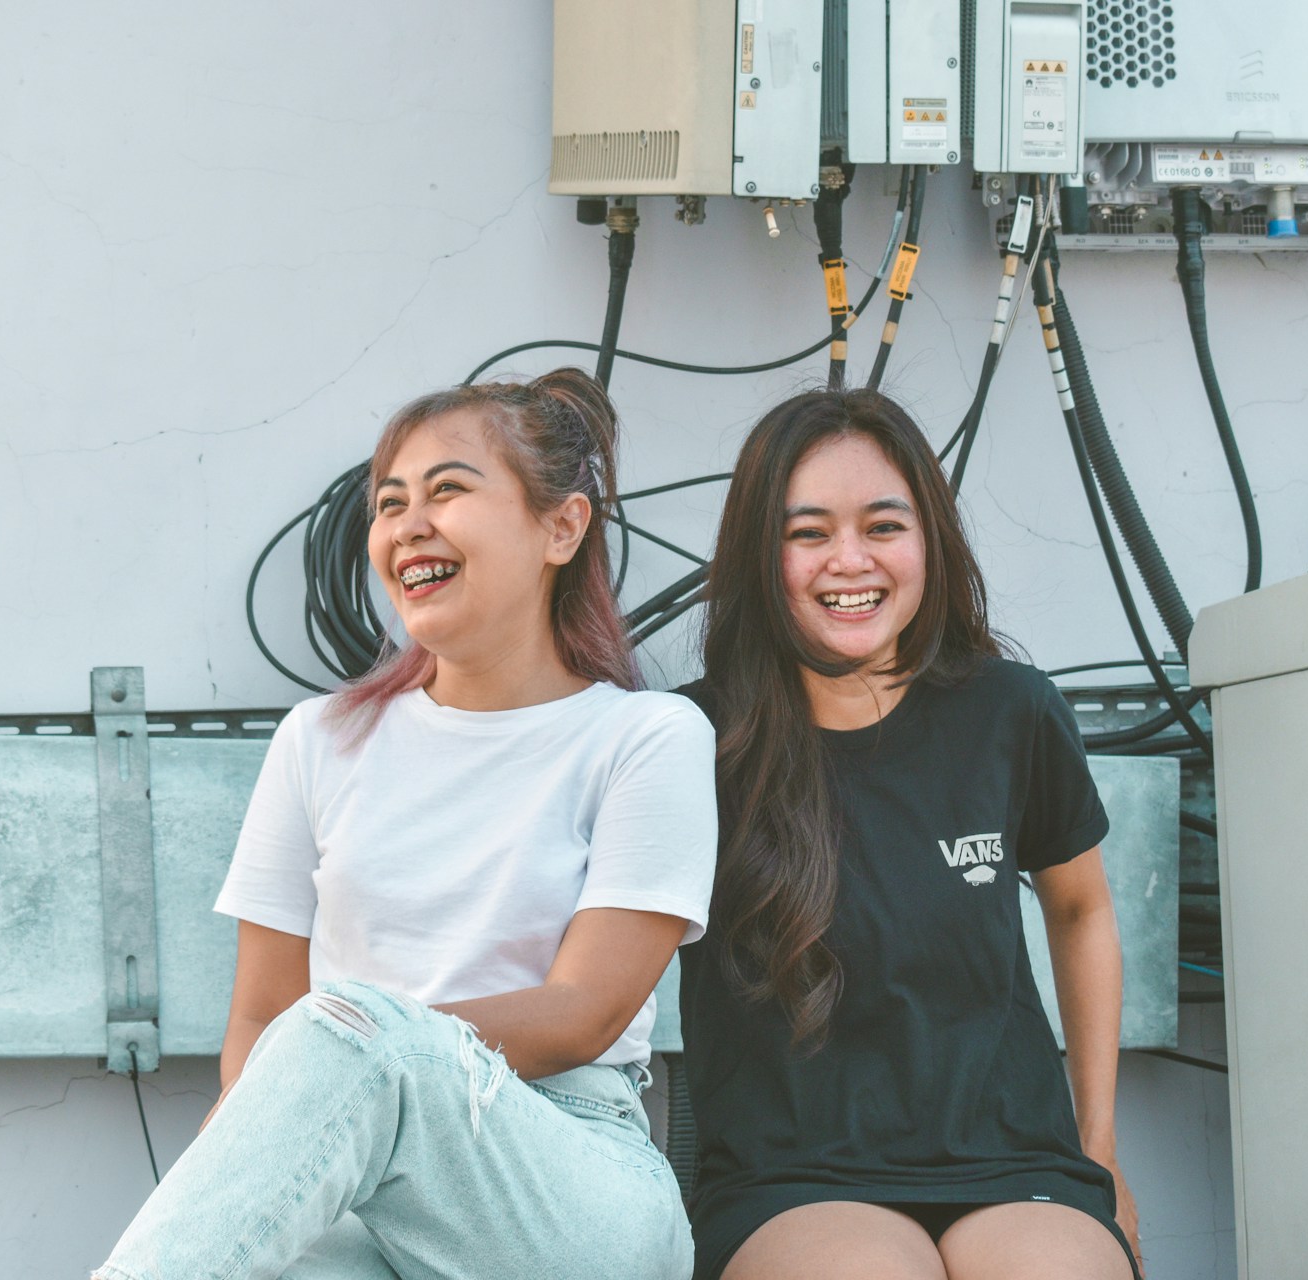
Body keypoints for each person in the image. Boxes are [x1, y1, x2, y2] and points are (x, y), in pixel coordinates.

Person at [94, 370, 716, 1280]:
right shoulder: (319, 740)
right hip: (350, 1179)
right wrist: (261, 1143)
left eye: (447, 490)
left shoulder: (645, 737)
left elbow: (584, 1013)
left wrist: (366, 1050)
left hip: (566, 1176)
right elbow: (261, 1016)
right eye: (390, 504)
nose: (408, 525)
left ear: (562, 527)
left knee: (337, 1031)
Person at [677, 389, 1142, 1280]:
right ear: (758, 555)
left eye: (883, 526)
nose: (849, 560)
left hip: (1015, 1162)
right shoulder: (693, 741)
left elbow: (1081, 912)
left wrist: (1100, 1149)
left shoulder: (1011, 711)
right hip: (791, 1179)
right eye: (808, 533)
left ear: (930, 539)